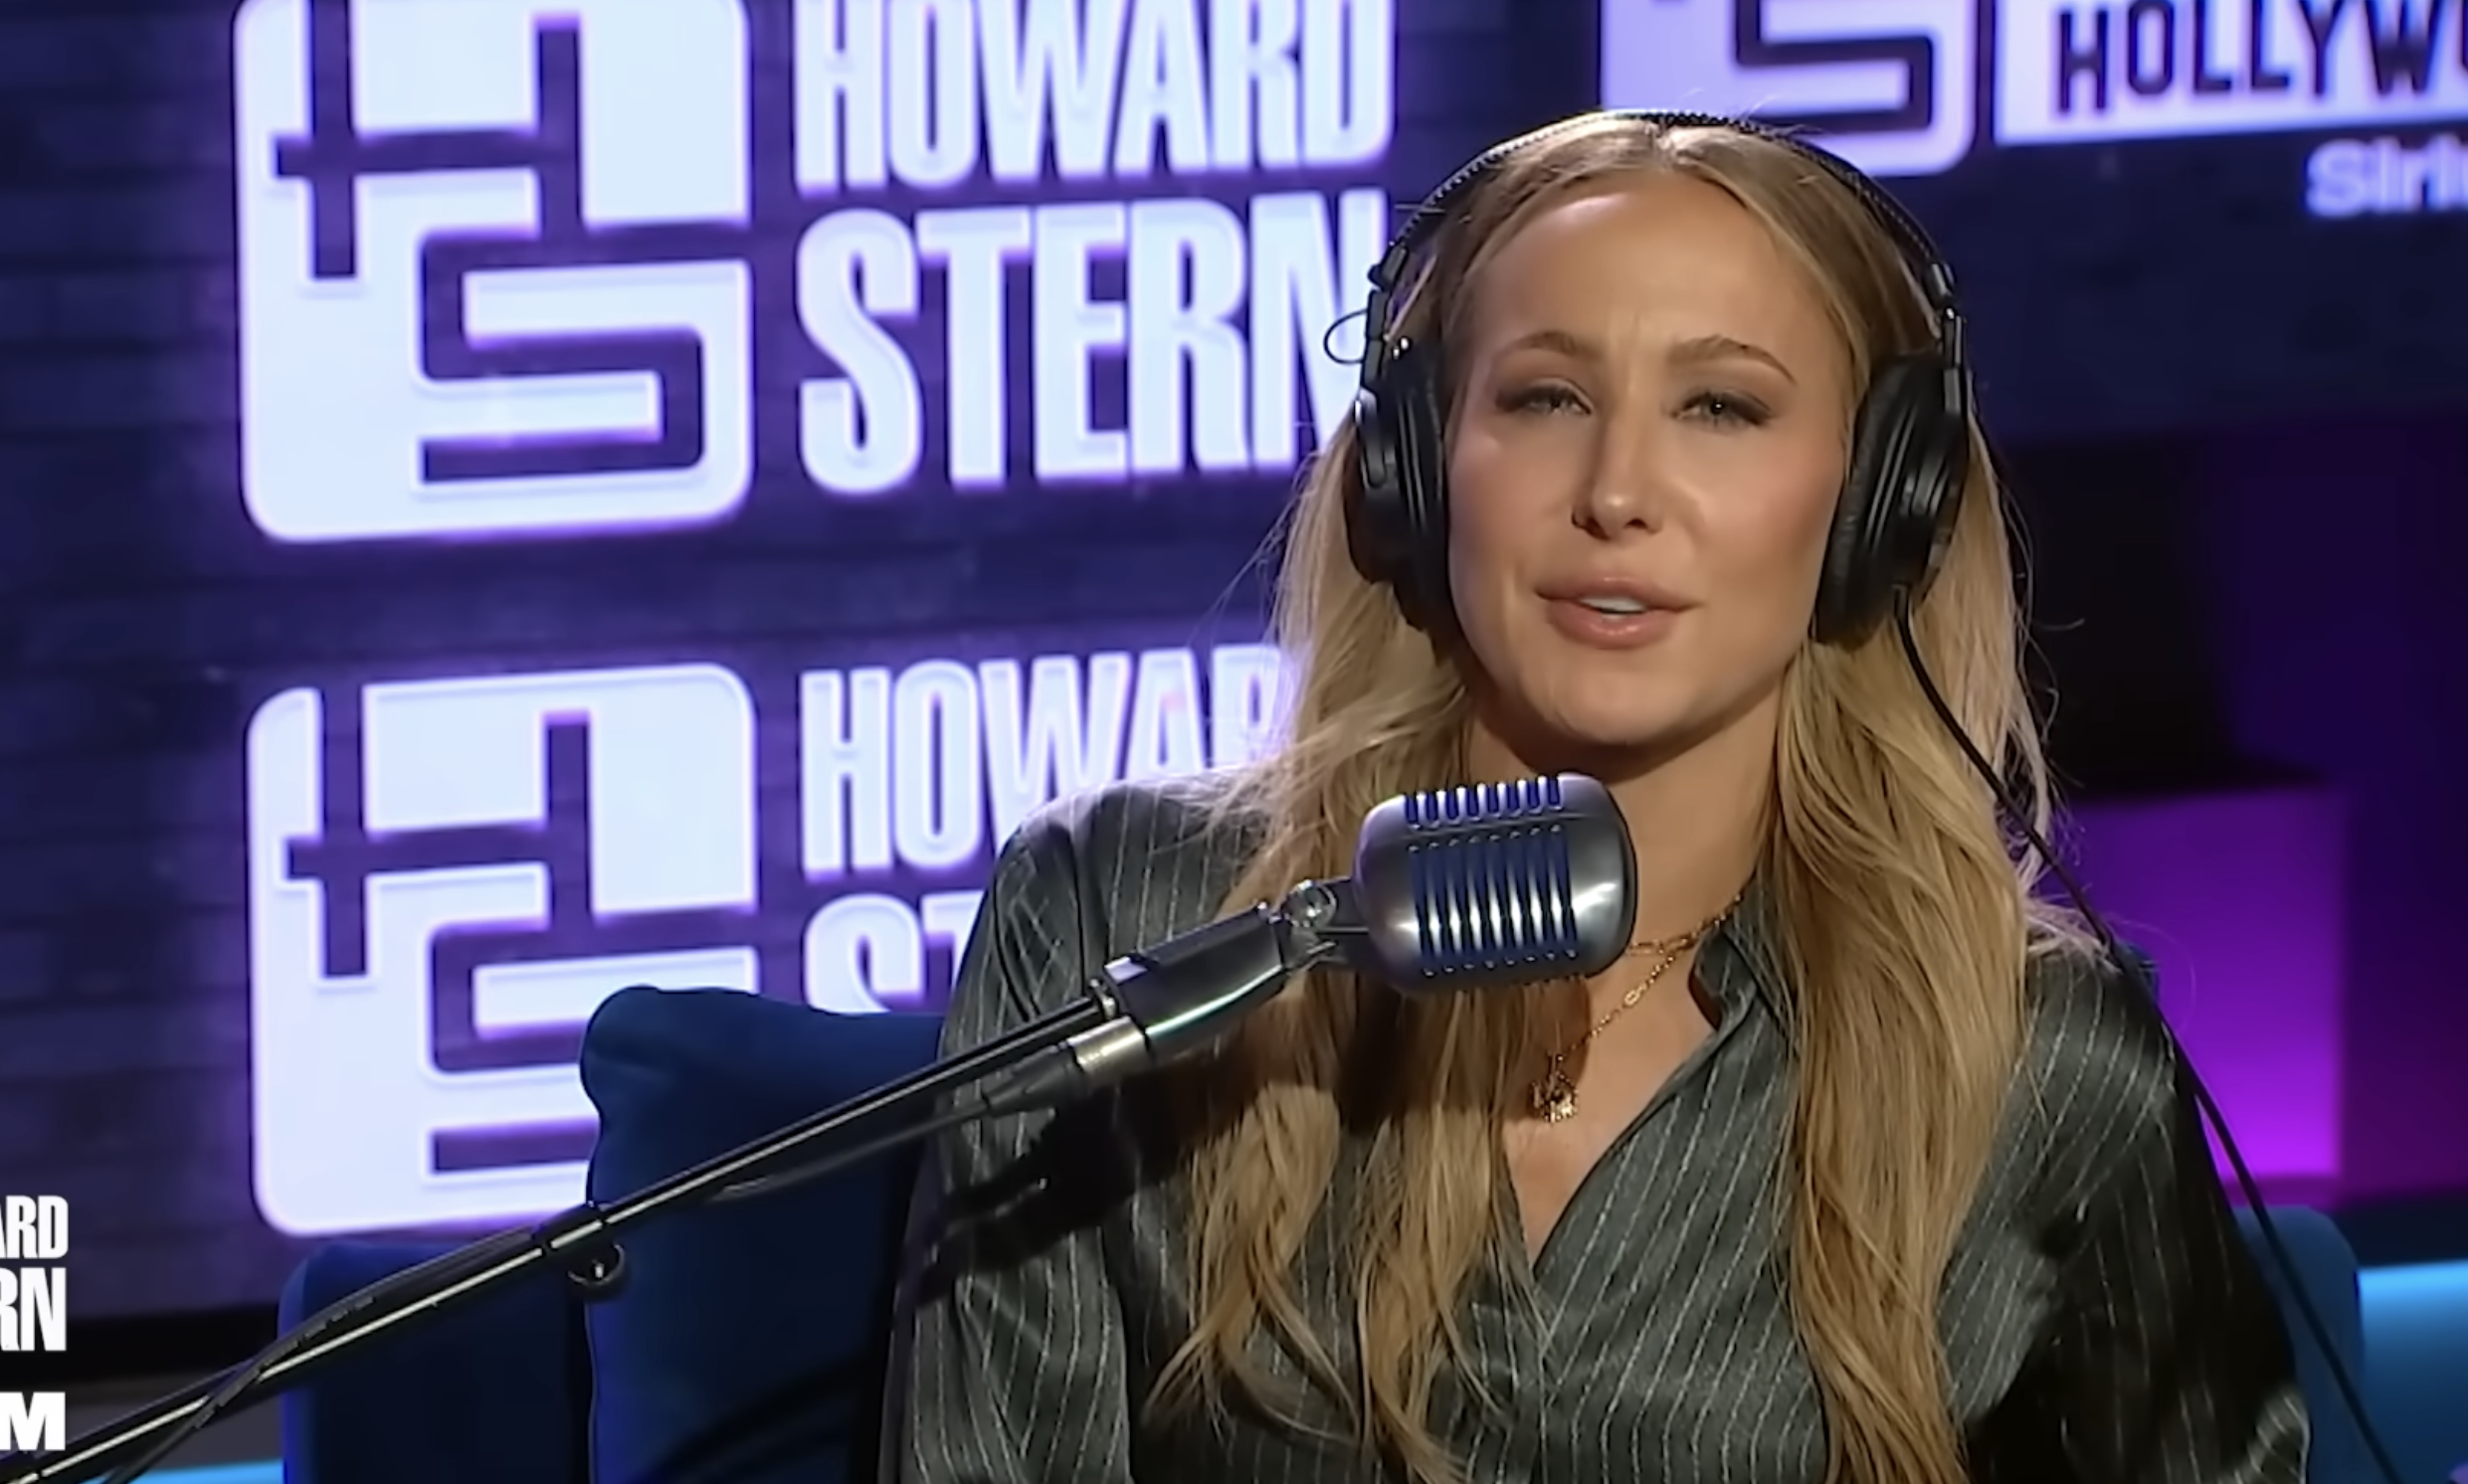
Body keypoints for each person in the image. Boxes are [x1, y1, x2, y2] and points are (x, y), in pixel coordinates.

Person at [879, 111, 2308, 1484]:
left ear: (1884, 499)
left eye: (1721, 406)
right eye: (1546, 396)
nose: (1619, 490)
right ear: (1417, 469)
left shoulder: (2036, 1055)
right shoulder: (1122, 920)